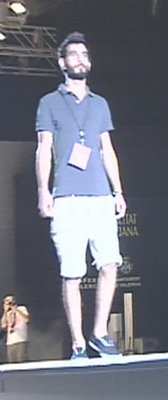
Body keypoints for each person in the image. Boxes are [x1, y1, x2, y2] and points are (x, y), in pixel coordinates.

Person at [35, 32, 126, 359]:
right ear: (62, 63)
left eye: (85, 54)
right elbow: (43, 149)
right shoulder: (49, 103)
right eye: (74, 55)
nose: (81, 59)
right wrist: (43, 190)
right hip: (67, 199)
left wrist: (118, 190)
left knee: (110, 263)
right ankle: (77, 343)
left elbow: (106, 150)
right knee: (72, 272)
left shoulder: (100, 104)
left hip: (100, 196)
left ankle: (100, 332)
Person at [1, 295, 30, 363]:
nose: (9, 302)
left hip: (20, 340)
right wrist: (5, 312)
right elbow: (3, 325)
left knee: (22, 361)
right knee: (12, 363)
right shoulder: (8, 313)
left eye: (10, 300)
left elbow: (27, 320)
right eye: (6, 301)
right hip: (10, 342)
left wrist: (16, 309)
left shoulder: (22, 308)